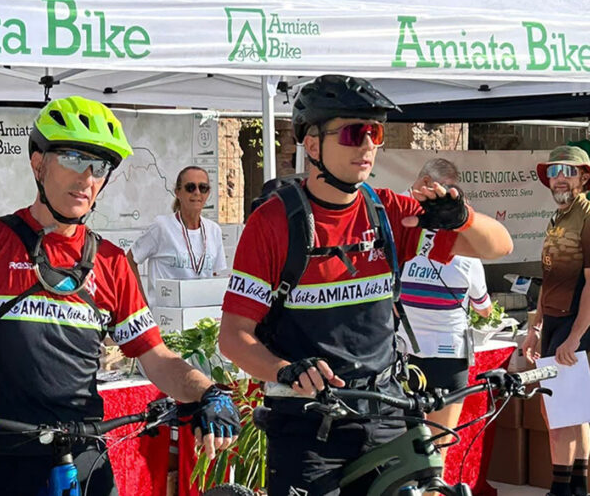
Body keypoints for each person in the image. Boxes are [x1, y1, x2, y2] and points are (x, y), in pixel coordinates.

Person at [0, 96, 240, 496]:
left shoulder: (110, 262)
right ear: (38, 163)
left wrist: (209, 392)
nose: (86, 178)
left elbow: (156, 358)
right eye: (73, 159)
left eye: (99, 167)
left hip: (83, 452)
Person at [217, 74, 513, 496]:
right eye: (354, 133)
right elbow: (233, 337)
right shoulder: (273, 223)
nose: (368, 145)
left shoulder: (387, 212)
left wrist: (462, 217)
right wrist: (285, 369)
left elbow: (498, 246)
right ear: (312, 145)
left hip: (385, 412)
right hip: (308, 424)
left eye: (375, 132)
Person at [398, 158, 492, 451]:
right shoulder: (465, 253)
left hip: (405, 352)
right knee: (439, 447)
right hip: (448, 357)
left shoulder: (401, 241)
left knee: (408, 447)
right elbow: (484, 308)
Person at [521, 145, 590, 496]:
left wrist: (575, 337)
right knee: (571, 413)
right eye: (553, 171)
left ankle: (560, 491)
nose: (559, 177)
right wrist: (535, 328)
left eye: (568, 170)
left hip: (575, 326)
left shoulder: (587, 216)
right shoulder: (559, 218)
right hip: (554, 325)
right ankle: (577, 487)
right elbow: (549, 281)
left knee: (558, 415)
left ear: (584, 177)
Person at [127, 166, 227, 306]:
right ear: (178, 193)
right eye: (190, 187)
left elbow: (217, 275)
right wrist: (141, 302)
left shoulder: (214, 230)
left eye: (203, 188)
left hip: (202, 315)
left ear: (208, 193)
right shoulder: (162, 226)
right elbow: (130, 260)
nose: (197, 192)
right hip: (165, 316)